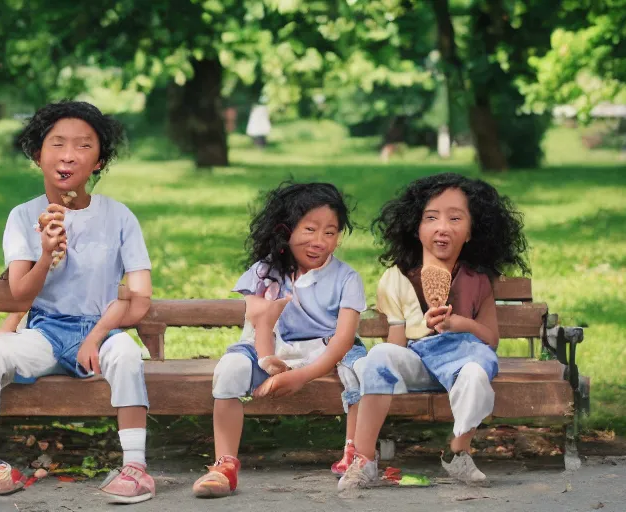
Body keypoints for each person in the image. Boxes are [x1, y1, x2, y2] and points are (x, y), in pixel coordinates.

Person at [0, 101, 156, 504]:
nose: (68, 156)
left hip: (102, 329)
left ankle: (135, 466)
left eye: (83, 146)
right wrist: (46, 253)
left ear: (99, 161)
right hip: (45, 331)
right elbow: (21, 294)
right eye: (57, 144)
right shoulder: (23, 216)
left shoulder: (119, 217)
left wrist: (96, 337)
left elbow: (141, 296)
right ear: (37, 155)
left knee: (128, 356)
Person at [339, 173, 529, 490]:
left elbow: (491, 339)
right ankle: (364, 460)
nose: (443, 227)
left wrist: (459, 324)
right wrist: (383, 366)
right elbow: (397, 342)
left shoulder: (477, 279)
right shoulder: (397, 277)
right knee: (380, 355)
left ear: (471, 232)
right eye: (431, 218)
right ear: (416, 227)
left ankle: (458, 452)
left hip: (463, 359)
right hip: (418, 359)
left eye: (455, 218)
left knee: (476, 372)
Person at [192, 182, 367, 498]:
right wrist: (265, 360)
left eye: (330, 232)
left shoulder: (347, 278)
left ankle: (354, 454)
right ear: (286, 229)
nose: (319, 241)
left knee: (363, 368)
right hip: (271, 347)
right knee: (229, 369)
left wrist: (301, 376)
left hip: (327, 351)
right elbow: (260, 320)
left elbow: (343, 340)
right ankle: (224, 465)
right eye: (310, 229)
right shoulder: (264, 271)